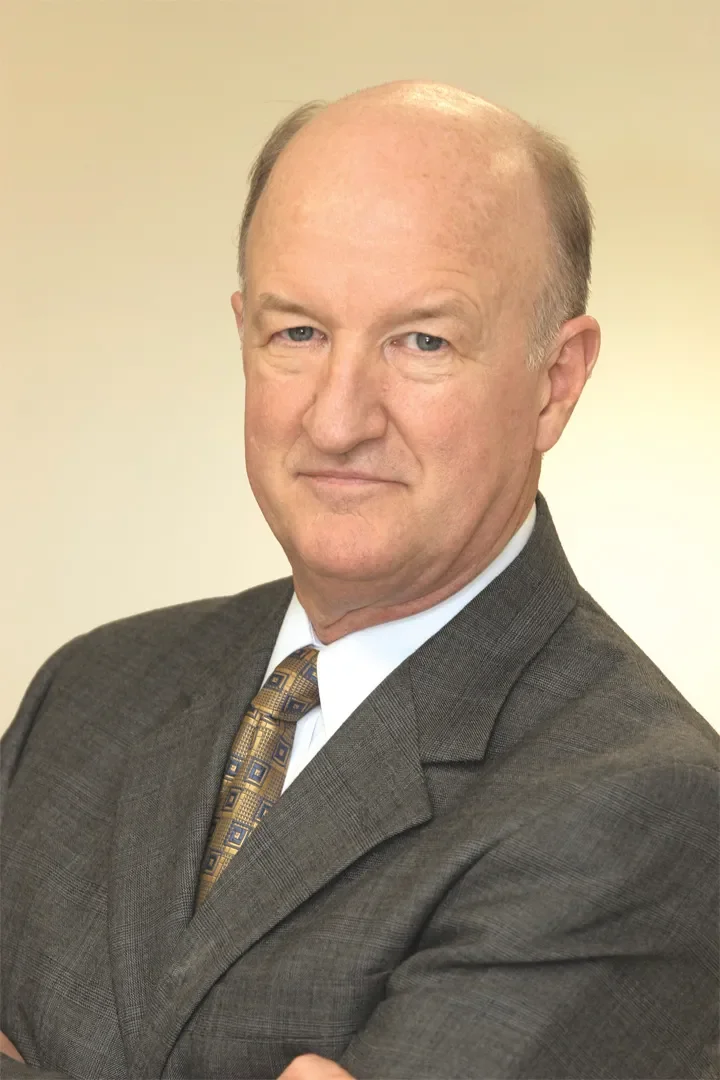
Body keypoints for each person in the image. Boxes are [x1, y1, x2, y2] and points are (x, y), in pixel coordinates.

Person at [1, 80, 717, 1080]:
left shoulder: (643, 803)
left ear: (556, 380)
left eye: (422, 340)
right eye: (298, 332)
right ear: (244, 335)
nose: (338, 420)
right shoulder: (89, 690)